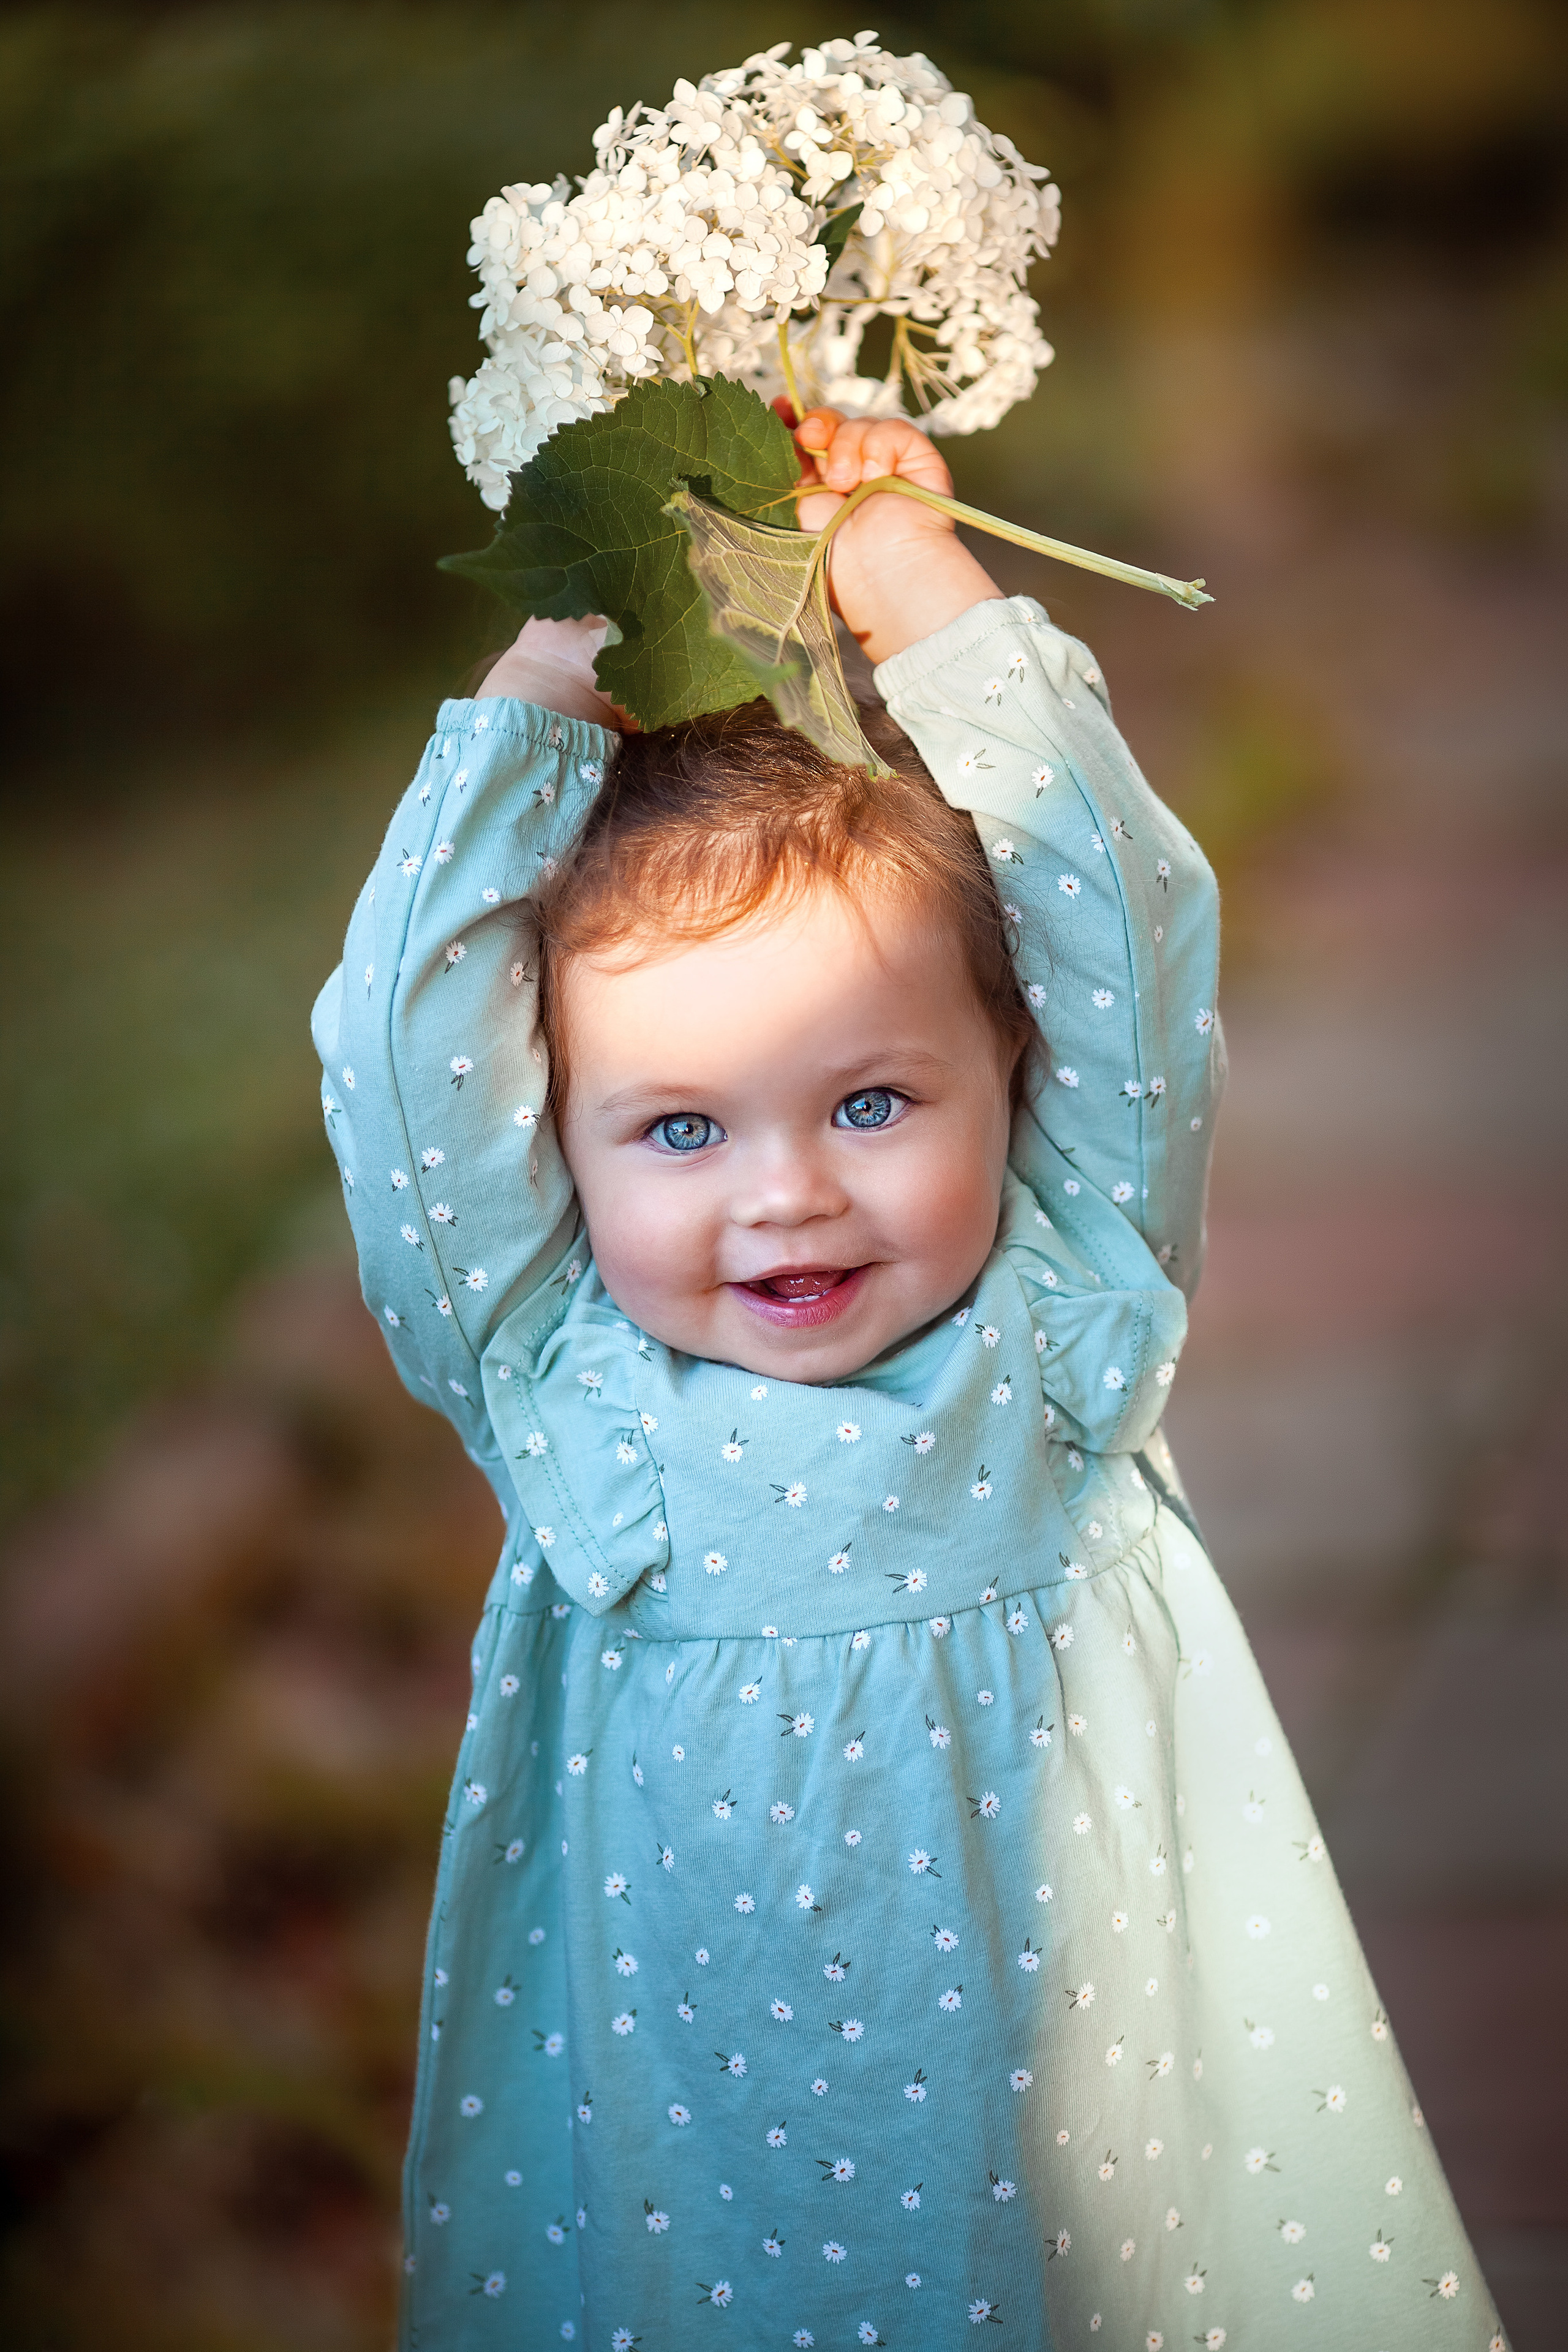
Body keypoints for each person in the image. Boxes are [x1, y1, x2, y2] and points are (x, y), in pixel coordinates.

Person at [314, 410, 1501, 2348]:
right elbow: (391, 1043)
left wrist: (920, 590)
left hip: (1099, 2152)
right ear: (559, 1146)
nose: (788, 1198)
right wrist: (557, 666)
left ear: (1015, 1075)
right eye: (679, 1130)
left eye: (871, 1101)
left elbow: (1120, 912)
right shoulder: (556, 1386)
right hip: (706, 2174)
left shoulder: (1067, 1318)